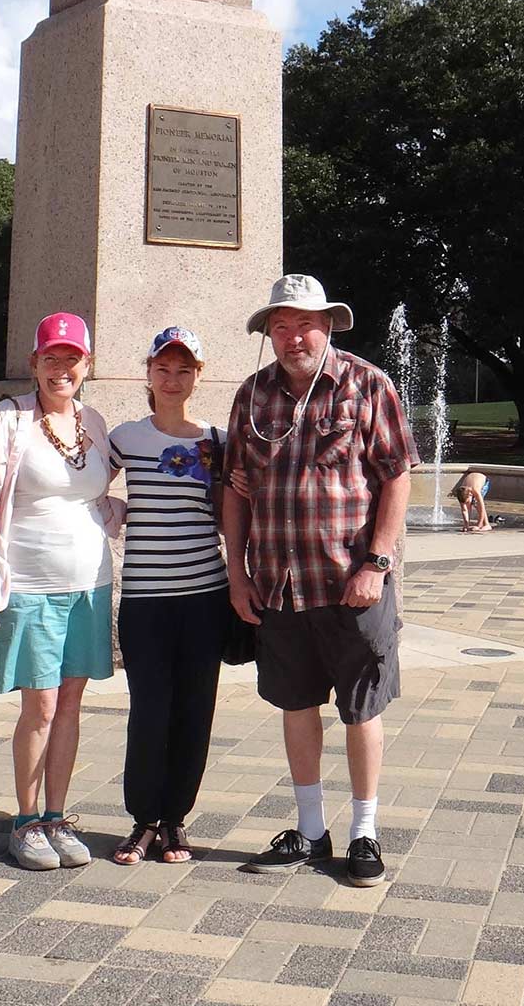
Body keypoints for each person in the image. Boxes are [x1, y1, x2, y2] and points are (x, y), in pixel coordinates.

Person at [224, 275, 420, 888]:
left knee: (361, 710)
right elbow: (235, 491)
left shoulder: (367, 383)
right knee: (296, 704)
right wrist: (237, 573)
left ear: (328, 325)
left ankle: (365, 832)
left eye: (303, 323)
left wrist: (377, 562)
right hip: (279, 586)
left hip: (351, 584)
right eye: (278, 326)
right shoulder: (252, 396)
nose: (291, 336)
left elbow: (397, 477)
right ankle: (311, 832)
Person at [0, 312, 119, 871]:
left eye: (71, 358)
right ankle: (26, 821)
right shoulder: (7, 422)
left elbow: (94, 495)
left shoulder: (94, 423)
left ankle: (56, 814)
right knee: (41, 705)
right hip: (29, 583)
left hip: (91, 584)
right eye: (50, 357)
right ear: (34, 364)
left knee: (71, 702)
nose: (61, 368)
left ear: (87, 365)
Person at [106, 327, 229, 866]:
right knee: (149, 710)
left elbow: (232, 513)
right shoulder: (125, 438)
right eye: (163, 368)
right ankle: (143, 820)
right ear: (148, 374)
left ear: (197, 376)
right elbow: (81, 486)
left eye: (184, 370)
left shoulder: (218, 441)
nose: (172, 378)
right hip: (145, 600)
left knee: (194, 710)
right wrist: (114, 513)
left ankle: (176, 821)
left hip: (205, 596)